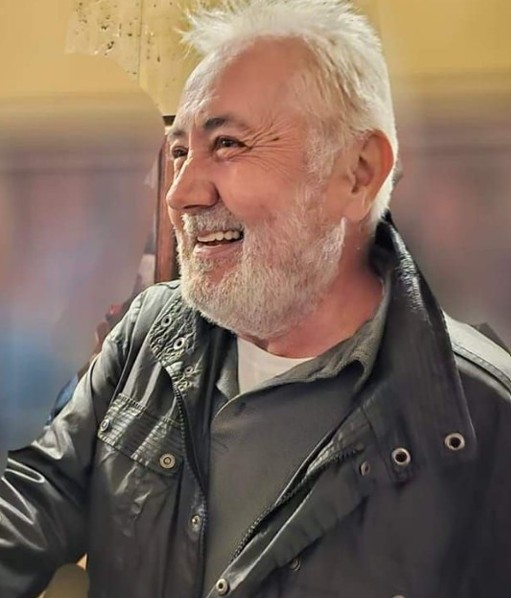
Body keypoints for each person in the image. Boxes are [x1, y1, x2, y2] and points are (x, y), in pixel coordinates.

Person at [1, 1, 511, 597]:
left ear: (357, 173)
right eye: (180, 152)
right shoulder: (151, 332)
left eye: (228, 144)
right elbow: (41, 492)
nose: (181, 194)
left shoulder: (482, 418)